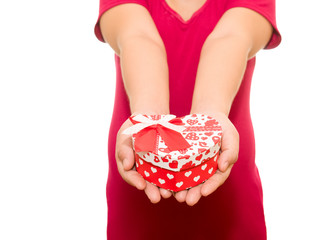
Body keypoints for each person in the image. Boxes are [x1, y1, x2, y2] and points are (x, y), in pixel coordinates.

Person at [94, 0, 282, 239]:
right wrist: (149, 121)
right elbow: (137, 36)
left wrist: (209, 117)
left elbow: (231, 37)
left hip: (230, 204)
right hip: (136, 194)